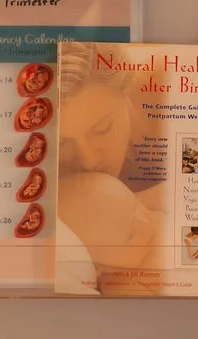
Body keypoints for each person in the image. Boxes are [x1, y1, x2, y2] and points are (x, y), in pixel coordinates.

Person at [56, 44, 169, 294]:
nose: (88, 160)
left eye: (102, 129)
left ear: (127, 90)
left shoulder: (165, 91)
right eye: (63, 143)